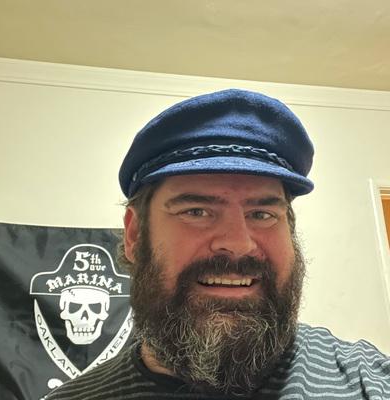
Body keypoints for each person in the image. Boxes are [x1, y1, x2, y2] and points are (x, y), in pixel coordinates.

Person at [47, 89, 390, 399]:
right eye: (196, 211)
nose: (238, 244)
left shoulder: (372, 382)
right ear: (134, 235)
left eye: (262, 214)